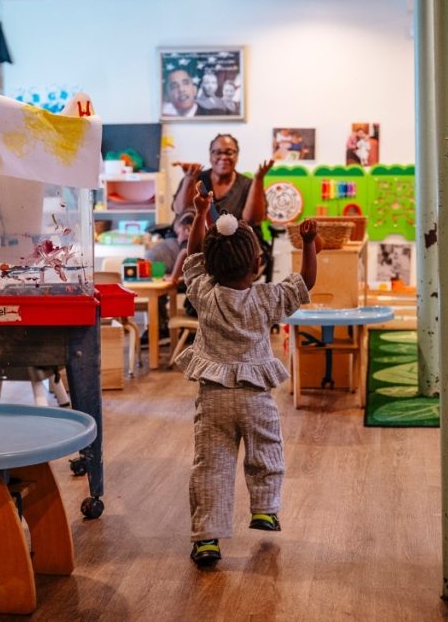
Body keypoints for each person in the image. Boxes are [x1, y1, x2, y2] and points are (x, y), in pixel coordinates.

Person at [175, 187, 318, 567]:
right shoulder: (267, 298)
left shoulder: (205, 294)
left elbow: (192, 256)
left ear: (210, 267)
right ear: (257, 263)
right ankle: (265, 508)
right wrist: (308, 244)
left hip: (214, 400)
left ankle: (207, 539)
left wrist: (201, 214)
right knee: (267, 449)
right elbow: (305, 282)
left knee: (210, 466)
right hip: (255, 398)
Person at [172, 134, 273, 227]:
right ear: (210, 156)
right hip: (197, 237)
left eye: (229, 153)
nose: (223, 157)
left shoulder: (248, 184)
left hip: (236, 239)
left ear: (237, 156)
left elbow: (252, 220)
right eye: (217, 152)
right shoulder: (196, 179)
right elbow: (181, 211)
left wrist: (258, 179)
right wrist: (189, 178)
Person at [162, 69, 227, 118]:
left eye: (185, 83)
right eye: (174, 86)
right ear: (166, 96)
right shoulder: (165, 119)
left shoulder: (216, 114)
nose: (181, 89)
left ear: (195, 90)